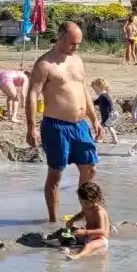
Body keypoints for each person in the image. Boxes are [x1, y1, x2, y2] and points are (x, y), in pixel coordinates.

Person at [26, 21, 101, 225]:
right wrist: (31, 126)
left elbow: (83, 90)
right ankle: (53, 221)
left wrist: (94, 118)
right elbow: (32, 95)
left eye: (78, 44)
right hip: (56, 126)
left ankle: (84, 212)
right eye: (71, 44)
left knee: (90, 169)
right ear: (60, 37)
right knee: (56, 173)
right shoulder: (45, 64)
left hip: (80, 125)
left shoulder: (77, 61)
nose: (75, 48)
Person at [63, 180, 109, 260]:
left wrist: (84, 232)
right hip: (88, 235)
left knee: (89, 246)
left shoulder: (99, 211)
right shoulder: (86, 207)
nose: (84, 205)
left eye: (86, 203)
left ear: (95, 199)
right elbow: (82, 214)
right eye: (81, 202)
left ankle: (78, 256)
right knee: (70, 230)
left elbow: (102, 231)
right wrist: (72, 220)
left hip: (100, 238)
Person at [91, 77, 119, 144]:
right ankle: (115, 140)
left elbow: (109, 103)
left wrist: (109, 113)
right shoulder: (103, 96)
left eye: (96, 89)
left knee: (101, 127)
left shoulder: (104, 96)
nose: (95, 91)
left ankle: (100, 139)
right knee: (110, 127)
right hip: (111, 114)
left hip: (108, 114)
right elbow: (95, 102)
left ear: (101, 87)